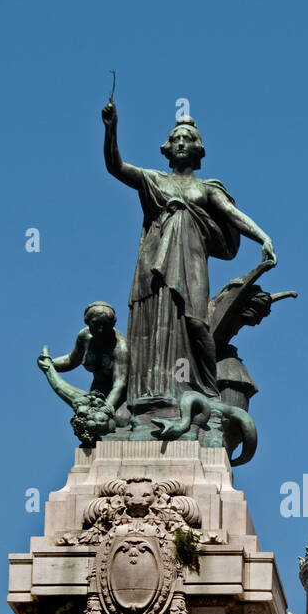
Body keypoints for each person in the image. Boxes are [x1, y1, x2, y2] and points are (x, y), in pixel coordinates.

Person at [101, 101, 276, 429]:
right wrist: (111, 128)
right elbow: (115, 166)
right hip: (155, 264)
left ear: (198, 149)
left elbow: (232, 216)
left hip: (192, 264)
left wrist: (262, 237)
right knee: (155, 326)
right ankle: (153, 396)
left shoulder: (205, 188)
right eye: (176, 138)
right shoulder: (154, 180)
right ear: (168, 149)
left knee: (194, 323)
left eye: (188, 138)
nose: (181, 142)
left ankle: (201, 391)